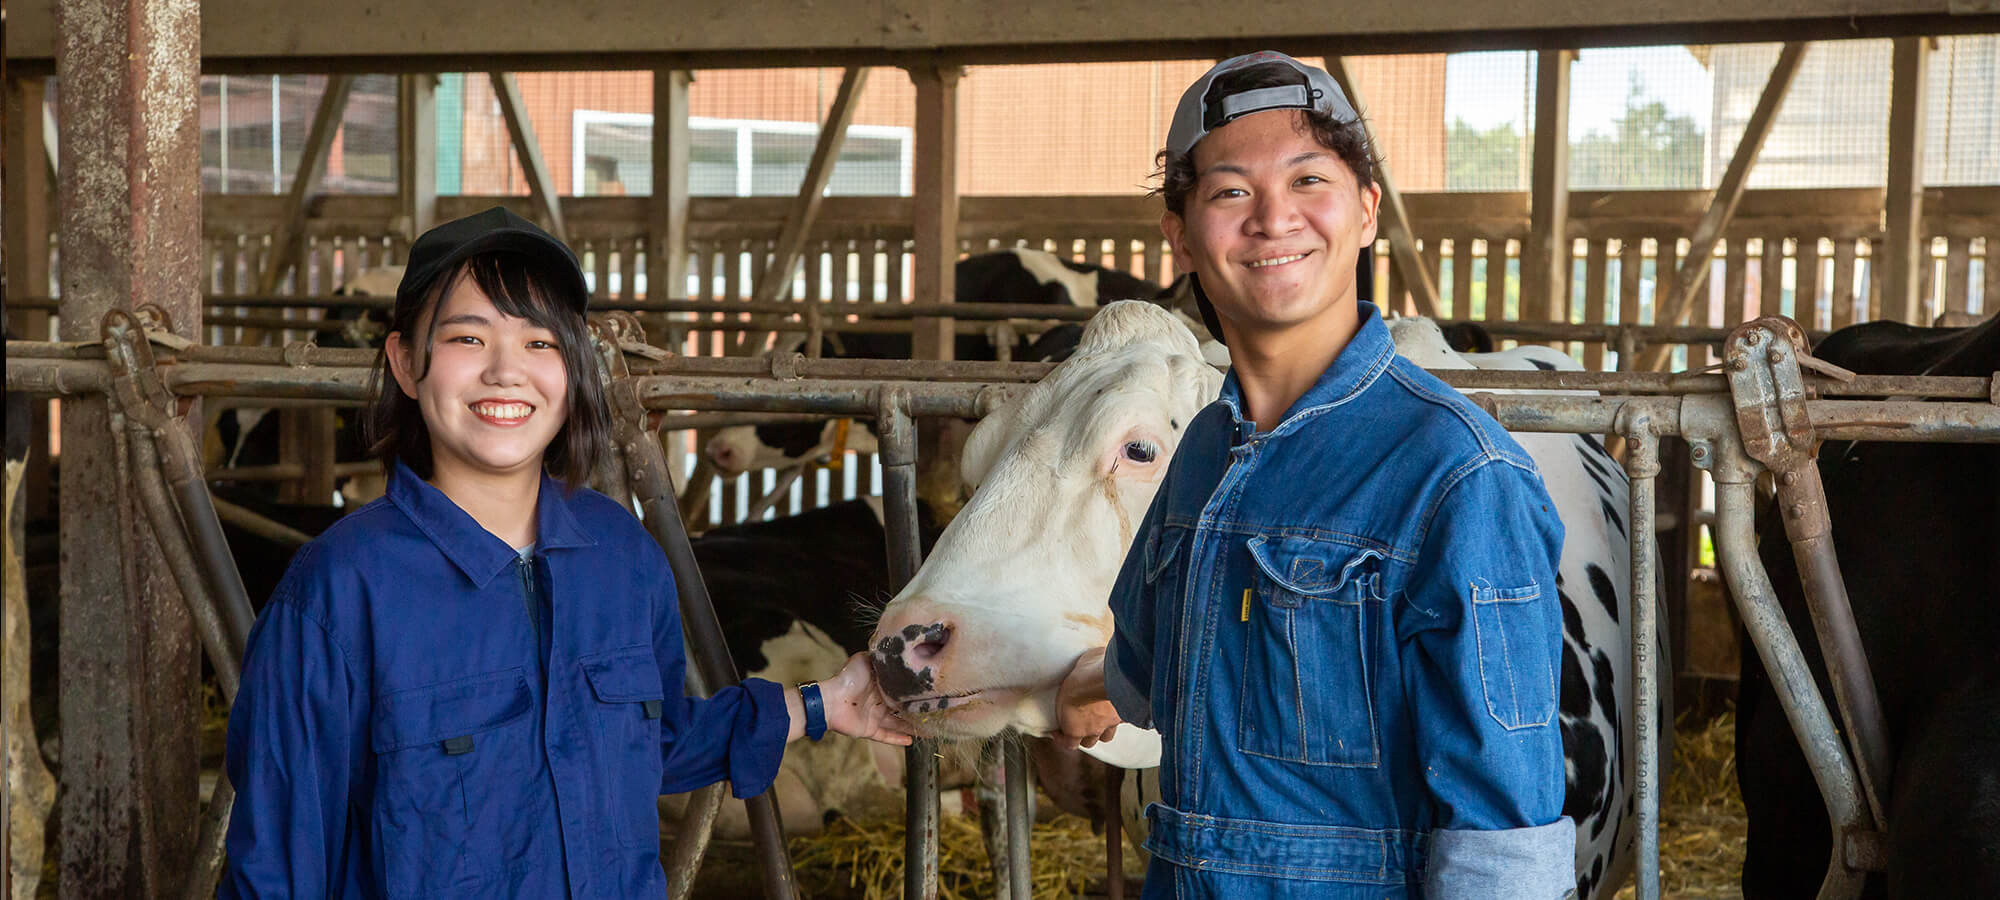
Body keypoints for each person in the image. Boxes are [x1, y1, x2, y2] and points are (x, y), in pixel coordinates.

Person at [220, 206, 913, 898]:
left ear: (571, 368)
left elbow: (653, 743)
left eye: (539, 343)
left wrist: (826, 702)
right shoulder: (336, 594)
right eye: (468, 337)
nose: (505, 372)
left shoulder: (622, 555)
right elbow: (276, 867)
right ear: (407, 362)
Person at [1055, 53, 1575, 898]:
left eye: (1309, 180)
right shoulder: (1201, 452)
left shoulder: (1458, 475)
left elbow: (1503, 845)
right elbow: (1144, 679)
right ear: (1180, 235)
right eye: (1229, 192)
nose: (1272, 219)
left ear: (1367, 210)